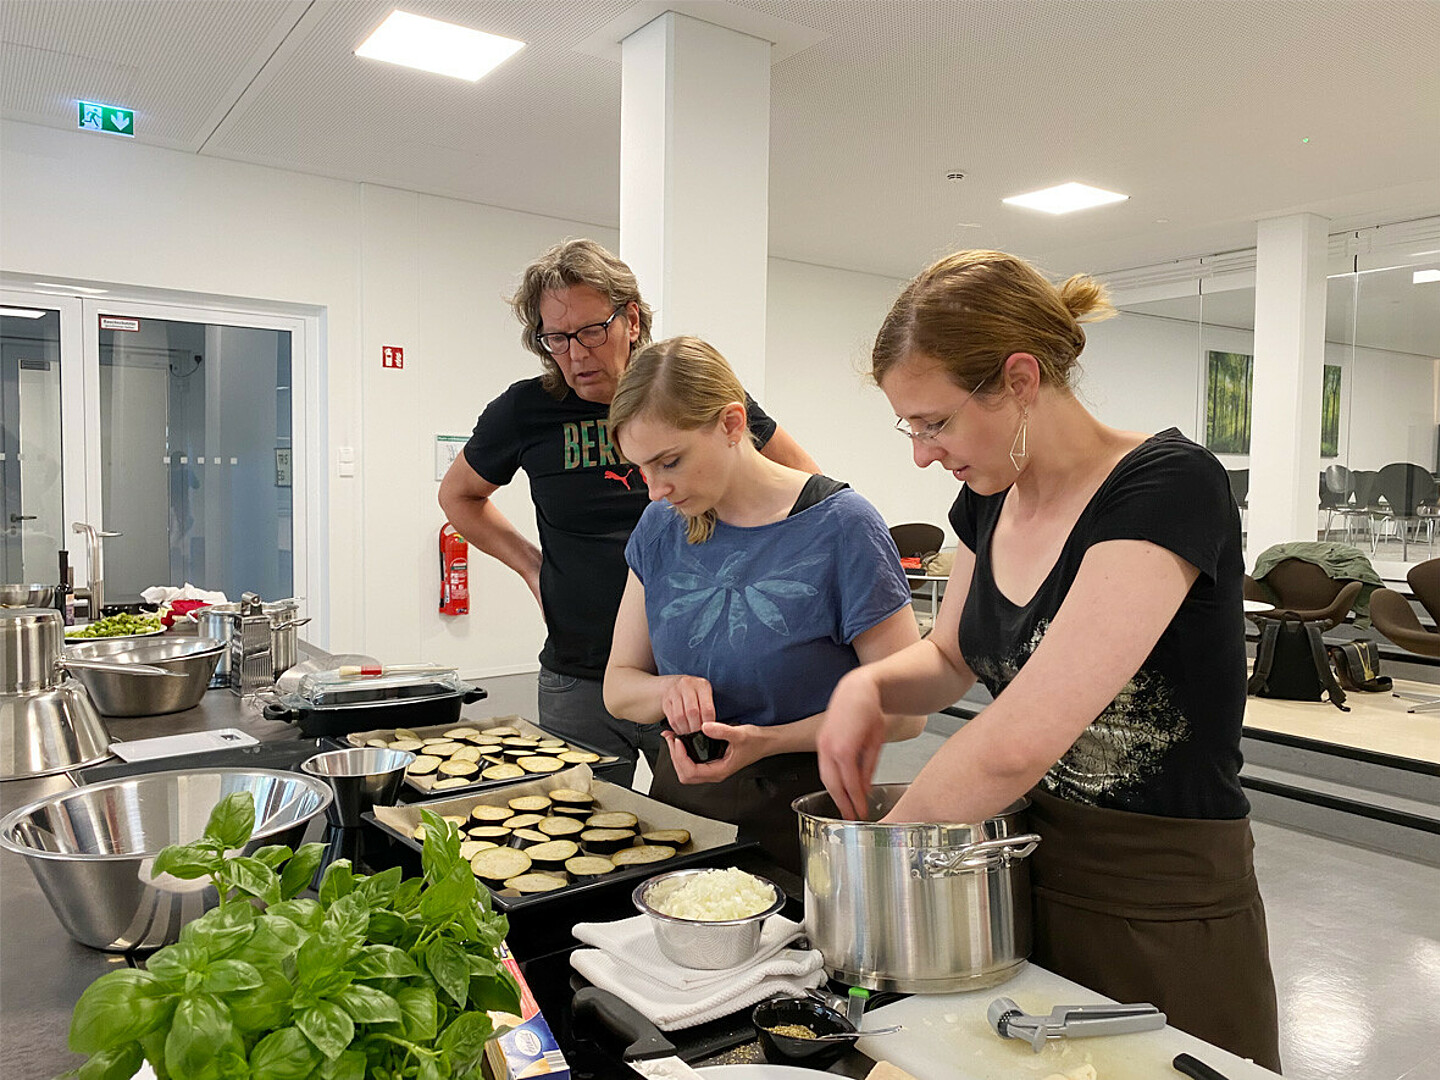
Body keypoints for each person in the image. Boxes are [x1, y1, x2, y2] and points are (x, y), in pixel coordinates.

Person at [816, 250, 1282, 1069]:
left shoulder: (1166, 486)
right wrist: (869, 685)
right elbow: (951, 657)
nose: (923, 454)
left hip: (1162, 897)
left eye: (936, 422)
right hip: (1026, 873)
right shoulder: (990, 497)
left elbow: (1019, 741)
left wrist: (874, 867)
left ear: (1021, 379)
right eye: (911, 427)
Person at [439, 239, 818, 786]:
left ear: (631, 319)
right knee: (581, 833)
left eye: (592, 331)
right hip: (581, 672)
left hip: (695, 674)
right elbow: (459, 496)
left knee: (702, 841)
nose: (575, 354)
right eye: (556, 339)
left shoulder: (685, 396)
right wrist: (530, 566)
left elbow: (801, 484)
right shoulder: (525, 411)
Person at [602, 336, 924, 873]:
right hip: (682, 816)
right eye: (642, 469)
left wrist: (768, 741)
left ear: (732, 424)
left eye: (670, 462)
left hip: (805, 818)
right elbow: (619, 685)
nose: (656, 489)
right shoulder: (661, 525)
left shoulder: (842, 526)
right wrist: (668, 689)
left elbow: (907, 713)